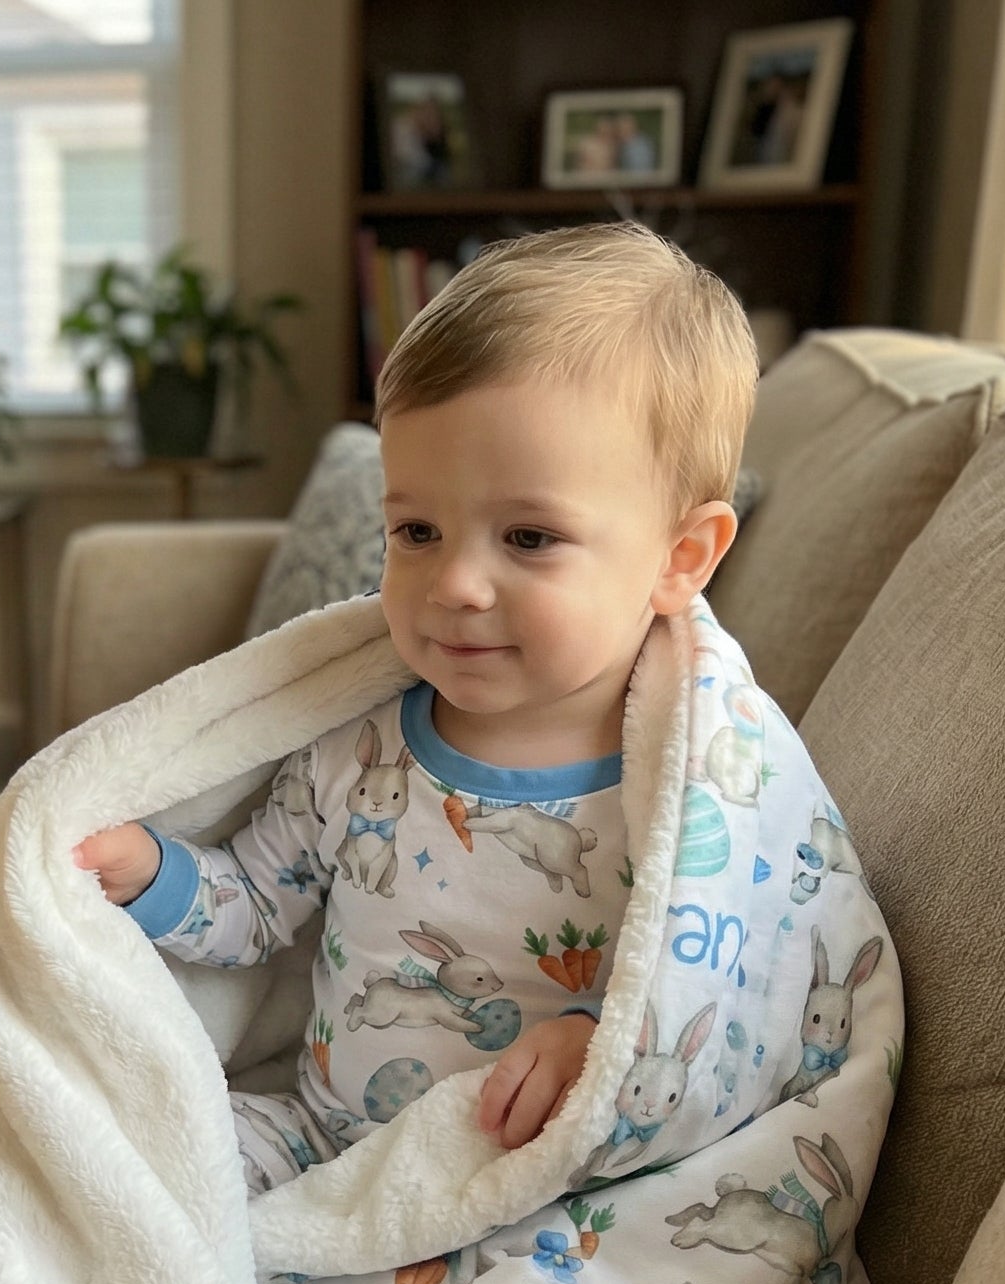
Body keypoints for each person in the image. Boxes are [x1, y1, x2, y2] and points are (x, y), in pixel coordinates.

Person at [74, 221, 756, 1194]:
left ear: (679, 557)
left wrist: (605, 1045)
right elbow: (261, 910)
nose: (456, 584)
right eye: (417, 530)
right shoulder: (360, 752)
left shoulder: (692, 794)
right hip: (321, 1148)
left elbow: (737, 996)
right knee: (93, 1156)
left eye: (526, 535)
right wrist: (147, 873)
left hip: (540, 1192)